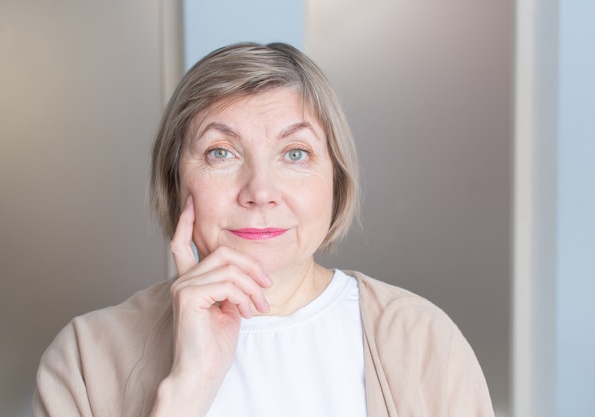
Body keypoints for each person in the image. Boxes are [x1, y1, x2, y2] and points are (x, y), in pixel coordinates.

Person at [33, 42, 494, 417]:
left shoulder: (424, 340)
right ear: (176, 179)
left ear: (337, 178)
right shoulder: (86, 360)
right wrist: (187, 391)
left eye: (295, 153)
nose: (260, 191)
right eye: (221, 152)